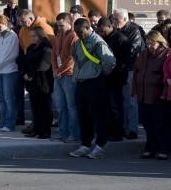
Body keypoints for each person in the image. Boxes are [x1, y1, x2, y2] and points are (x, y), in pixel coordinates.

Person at [69, 18, 115, 159]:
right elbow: (76, 59)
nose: (78, 34)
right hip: (81, 83)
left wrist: (100, 73)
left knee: (97, 114)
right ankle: (85, 144)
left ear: (88, 28)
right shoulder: (78, 43)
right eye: (76, 32)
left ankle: (100, 145)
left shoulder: (97, 42)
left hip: (94, 82)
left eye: (81, 31)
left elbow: (109, 60)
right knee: (83, 115)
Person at [133, 31, 171, 160]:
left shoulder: (166, 54)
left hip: (158, 97)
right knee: (148, 125)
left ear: (159, 42)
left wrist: (164, 94)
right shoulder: (143, 55)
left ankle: (163, 149)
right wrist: (135, 91)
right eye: (147, 43)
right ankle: (150, 149)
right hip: (143, 95)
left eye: (152, 43)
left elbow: (167, 75)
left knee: (161, 125)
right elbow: (136, 73)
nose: (149, 46)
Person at [96, 18, 130, 142]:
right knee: (107, 106)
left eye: (103, 30)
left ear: (110, 26)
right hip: (105, 77)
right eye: (100, 31)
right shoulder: (102, 38)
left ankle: (118, 132)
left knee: (115, 105)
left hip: (116, 78)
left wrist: (112, 70)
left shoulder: (121, 39)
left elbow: (124, 60)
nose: (101, 32)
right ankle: (109, 130)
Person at [112, 8, 143, 140]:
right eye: (113, 19)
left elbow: (132, 50)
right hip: (116, 70)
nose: (114, 21)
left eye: (116, 19)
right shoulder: (114, 31)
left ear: (125, 19)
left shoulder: (134, 30)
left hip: (129, 69)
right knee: (120, 101)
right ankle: (122, 128)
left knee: (130, 101)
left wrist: (115, 57)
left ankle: (132, 129)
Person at [50, 13, 80, 143]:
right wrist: (55, 69)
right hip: (59, 75)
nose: (60, 28)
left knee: (71, 106)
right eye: (58, 26)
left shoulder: (74, 36)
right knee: (61, 106)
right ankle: (63, 132)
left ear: (69, 22)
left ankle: (74, 134)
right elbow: (53, 54)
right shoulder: (58, 37)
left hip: (69, 75)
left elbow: (72, 58)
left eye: (62, 25)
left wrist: (59, 70)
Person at [23, 27, 54, 138]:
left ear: (40, 35)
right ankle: (37, 129)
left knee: (44, 107)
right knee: (35, 107)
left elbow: (44, 65)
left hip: (43, 82)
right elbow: (25, 62)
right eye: (31, 36)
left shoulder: (46, 47)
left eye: (34, 36)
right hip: (32, 83)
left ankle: (45, 131)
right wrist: (26, 73)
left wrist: (31, 74)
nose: (32, 38)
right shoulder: (31, 48)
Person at [0, 15, 19, 132]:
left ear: (5, 24)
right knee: (0, 98)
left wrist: (0, 64)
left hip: (9, 71)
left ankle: (9, 123)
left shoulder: (13, 36)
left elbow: (13, 54)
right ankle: (1, 122)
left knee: (8, 98)